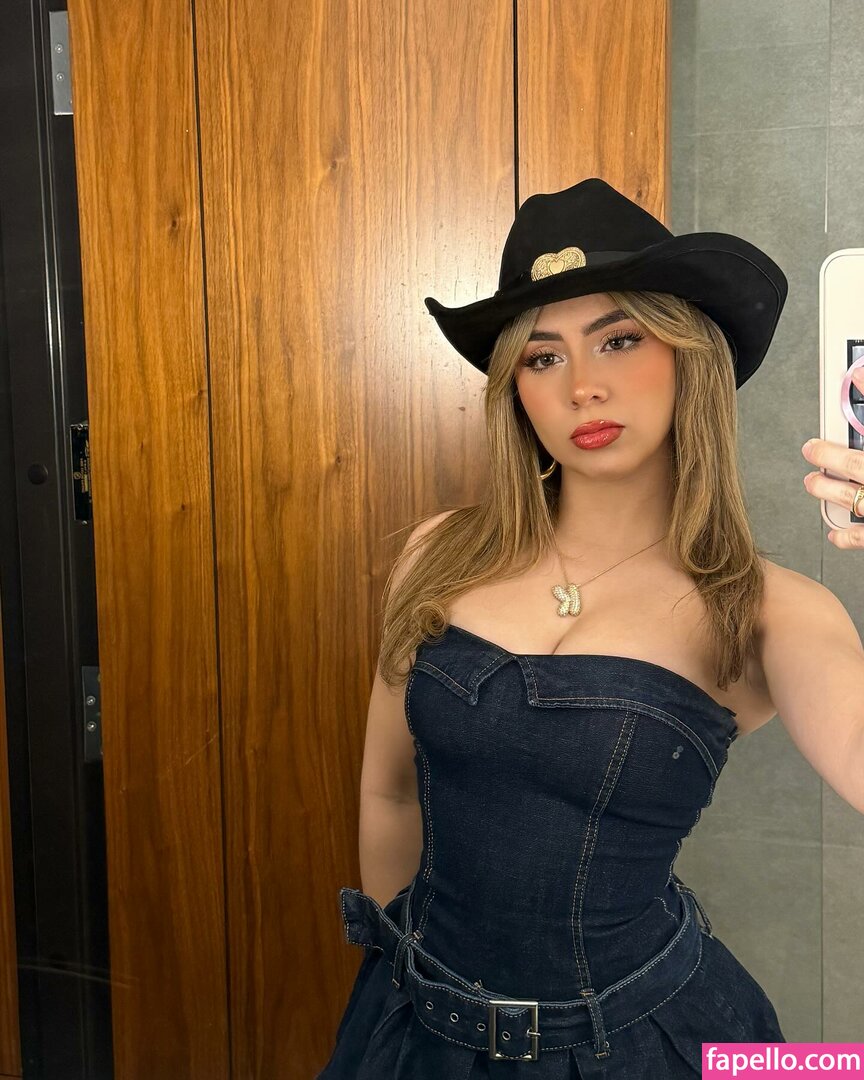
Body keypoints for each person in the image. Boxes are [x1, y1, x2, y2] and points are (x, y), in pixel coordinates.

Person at [316, 177, 789, 1078]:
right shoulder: (439, 553)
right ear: (515, 392)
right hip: (418, 1024)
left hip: (657, 1039)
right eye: (542, 358)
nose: (583, 387)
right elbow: (389, 793)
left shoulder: (760, 605)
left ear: (687, 356)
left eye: (619, 338)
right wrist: (404, 984)